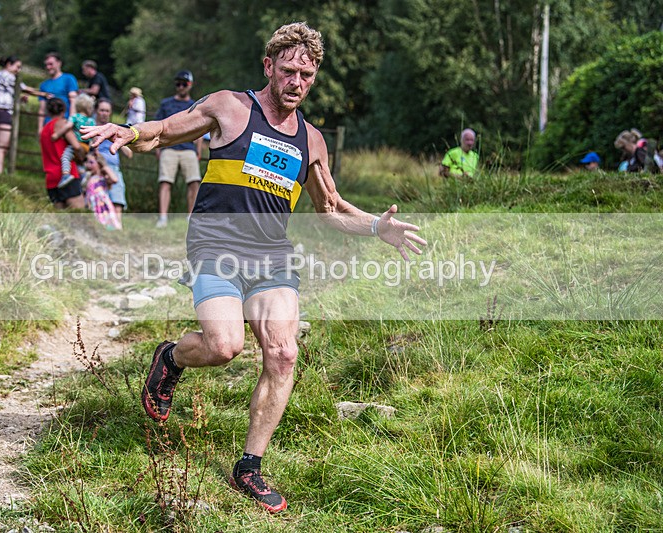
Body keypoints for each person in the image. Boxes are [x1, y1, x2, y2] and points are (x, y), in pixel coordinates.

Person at [82, 22, 426, 514]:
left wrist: (377, 228)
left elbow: (330, 208)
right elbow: (164, 131)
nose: (297, 82)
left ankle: (249, 468)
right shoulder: (230, 107)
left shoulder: (312, 141)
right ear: (269, 67)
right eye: (288, 70)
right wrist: (130, 131)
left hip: (272, 257)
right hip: (216, 245)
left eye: (306, 75)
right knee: (225, 346)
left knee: (283, 354)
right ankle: (172, 358)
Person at [153, 70, 203, 228]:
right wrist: (157, 148)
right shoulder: (166, 104)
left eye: (184, 83)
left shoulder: (195, 105)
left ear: (190, 85)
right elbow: (157, 126)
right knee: (165, 182)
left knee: (194, 182)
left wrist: (198, 150)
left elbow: (199, 129)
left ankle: (190, 218)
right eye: (178, 83)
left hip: (189, 149)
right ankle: (163, 218)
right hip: (168, 148)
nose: (181, 86)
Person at [40, 98, 84, 209]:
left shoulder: (44, 130)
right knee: (79, 218)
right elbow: (76, 146)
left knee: (60, 221)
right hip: (67, 174)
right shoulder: (63, 125)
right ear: (64, 110)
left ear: (48, 111)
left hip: (51, 178)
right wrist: (82, 156)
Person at [93, 99, 130, 214]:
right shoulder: (91, 127)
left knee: (117, 200)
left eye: (107, 111)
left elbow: (129, 154)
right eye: (102, 110)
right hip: (97, 168)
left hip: (114, 168)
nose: (104, 113)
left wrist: (117, 139)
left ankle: (117, 228)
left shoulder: (116, 130)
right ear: (96, 111)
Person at [54, 93, 96, 188]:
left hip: (76, 144)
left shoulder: (75, 117)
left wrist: (57, 134)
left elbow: (68, 127)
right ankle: (83, 174)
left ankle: (65, 174)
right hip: (86, 147)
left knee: (65, 158)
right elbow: (94, 136)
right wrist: (94, 149)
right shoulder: (91, 121)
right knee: (78, 163)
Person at [38, 53, 78, 135]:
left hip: (65, 123)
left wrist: (71, 122)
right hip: (49, 125)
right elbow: (42, 108)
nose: (48, 67)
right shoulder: (43, 85)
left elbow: (73, 102)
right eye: (46, 65)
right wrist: (40, 128)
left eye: (51, 64)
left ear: (59, 63)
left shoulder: (69, 79)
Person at [83, 151, 122, 230]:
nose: (88, 165)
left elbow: (114, 180)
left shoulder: (102, 178)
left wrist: (104, 166)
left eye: (91, 162)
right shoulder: (87, 178)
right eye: (86, 162)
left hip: (102, 206)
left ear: (99, 163)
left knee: (106, 222)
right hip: (92, 206)